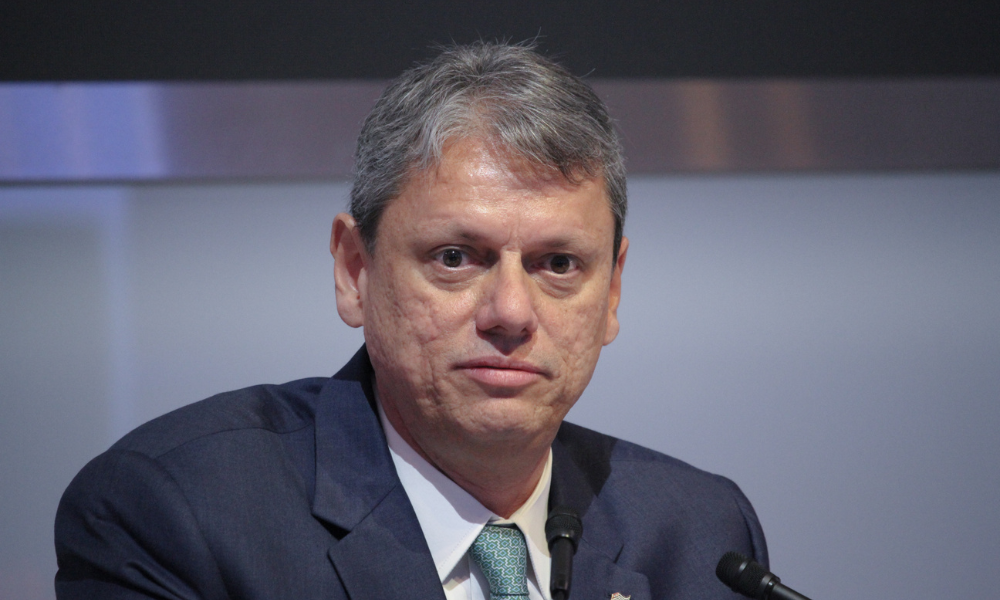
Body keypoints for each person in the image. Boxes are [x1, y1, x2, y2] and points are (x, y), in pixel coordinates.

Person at [54, 42, 767, 600]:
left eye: (558, 264)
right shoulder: (178, 511)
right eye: (455, 257)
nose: (511, 313)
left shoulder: (701, 532)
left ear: (612, 292)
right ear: (354, 271)